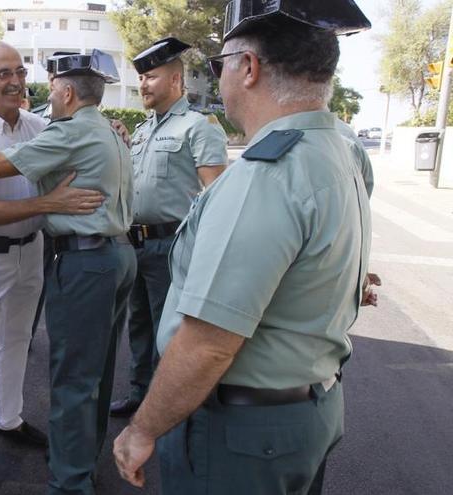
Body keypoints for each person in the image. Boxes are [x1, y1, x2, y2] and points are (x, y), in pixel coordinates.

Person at [112, 1, 375, 493]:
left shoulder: (266, 176)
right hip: (309, 410)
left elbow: (208, 343)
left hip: (244, 437)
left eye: (220, 65)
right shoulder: (339, 151)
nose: (219, 77)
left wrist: (142, 429)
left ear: (248, 68)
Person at [0, 49, 136, 495]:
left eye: (19, 71)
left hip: (33, 250)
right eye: (3, 73)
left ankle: (8, 420)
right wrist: (47, 203)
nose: (15, 81)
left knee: (17, 342)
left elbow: (82, 139)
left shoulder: (40, 126)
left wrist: (112, 128)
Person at [110, 37, 228, 418]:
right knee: (140, 326)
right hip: (136, 244)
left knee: (172, 333)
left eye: (151, 77)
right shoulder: (143, 130)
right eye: (141, 77)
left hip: (172, 246)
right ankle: (141, 395)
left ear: (176, 80)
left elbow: (217, 195)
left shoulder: (199, 126)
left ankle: (171, 407)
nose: (143, 84)